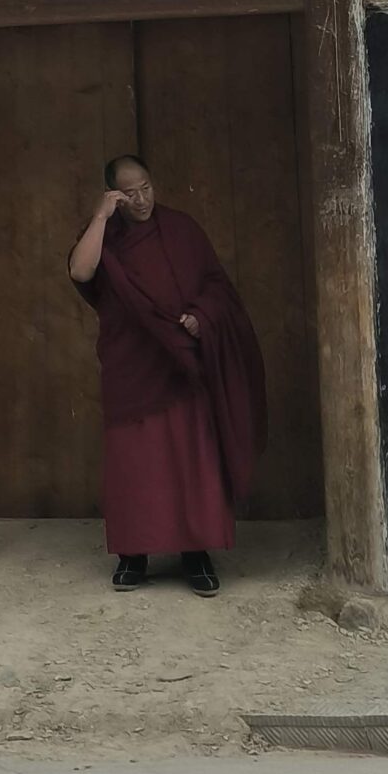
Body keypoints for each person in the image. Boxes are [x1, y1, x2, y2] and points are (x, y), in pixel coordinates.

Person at [67, 153, 267, 596]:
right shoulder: (108, 237)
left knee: (191, 459)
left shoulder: (182, 230)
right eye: (129, 193)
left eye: (146, 189)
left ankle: (196, 553)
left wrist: (201, 316)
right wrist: (100, 217)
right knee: (135, 464)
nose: (141, 200)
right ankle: (133, 556)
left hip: (179, 362)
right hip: (132, 363)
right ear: (114, 194)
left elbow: (215, 285)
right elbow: (81, 270)